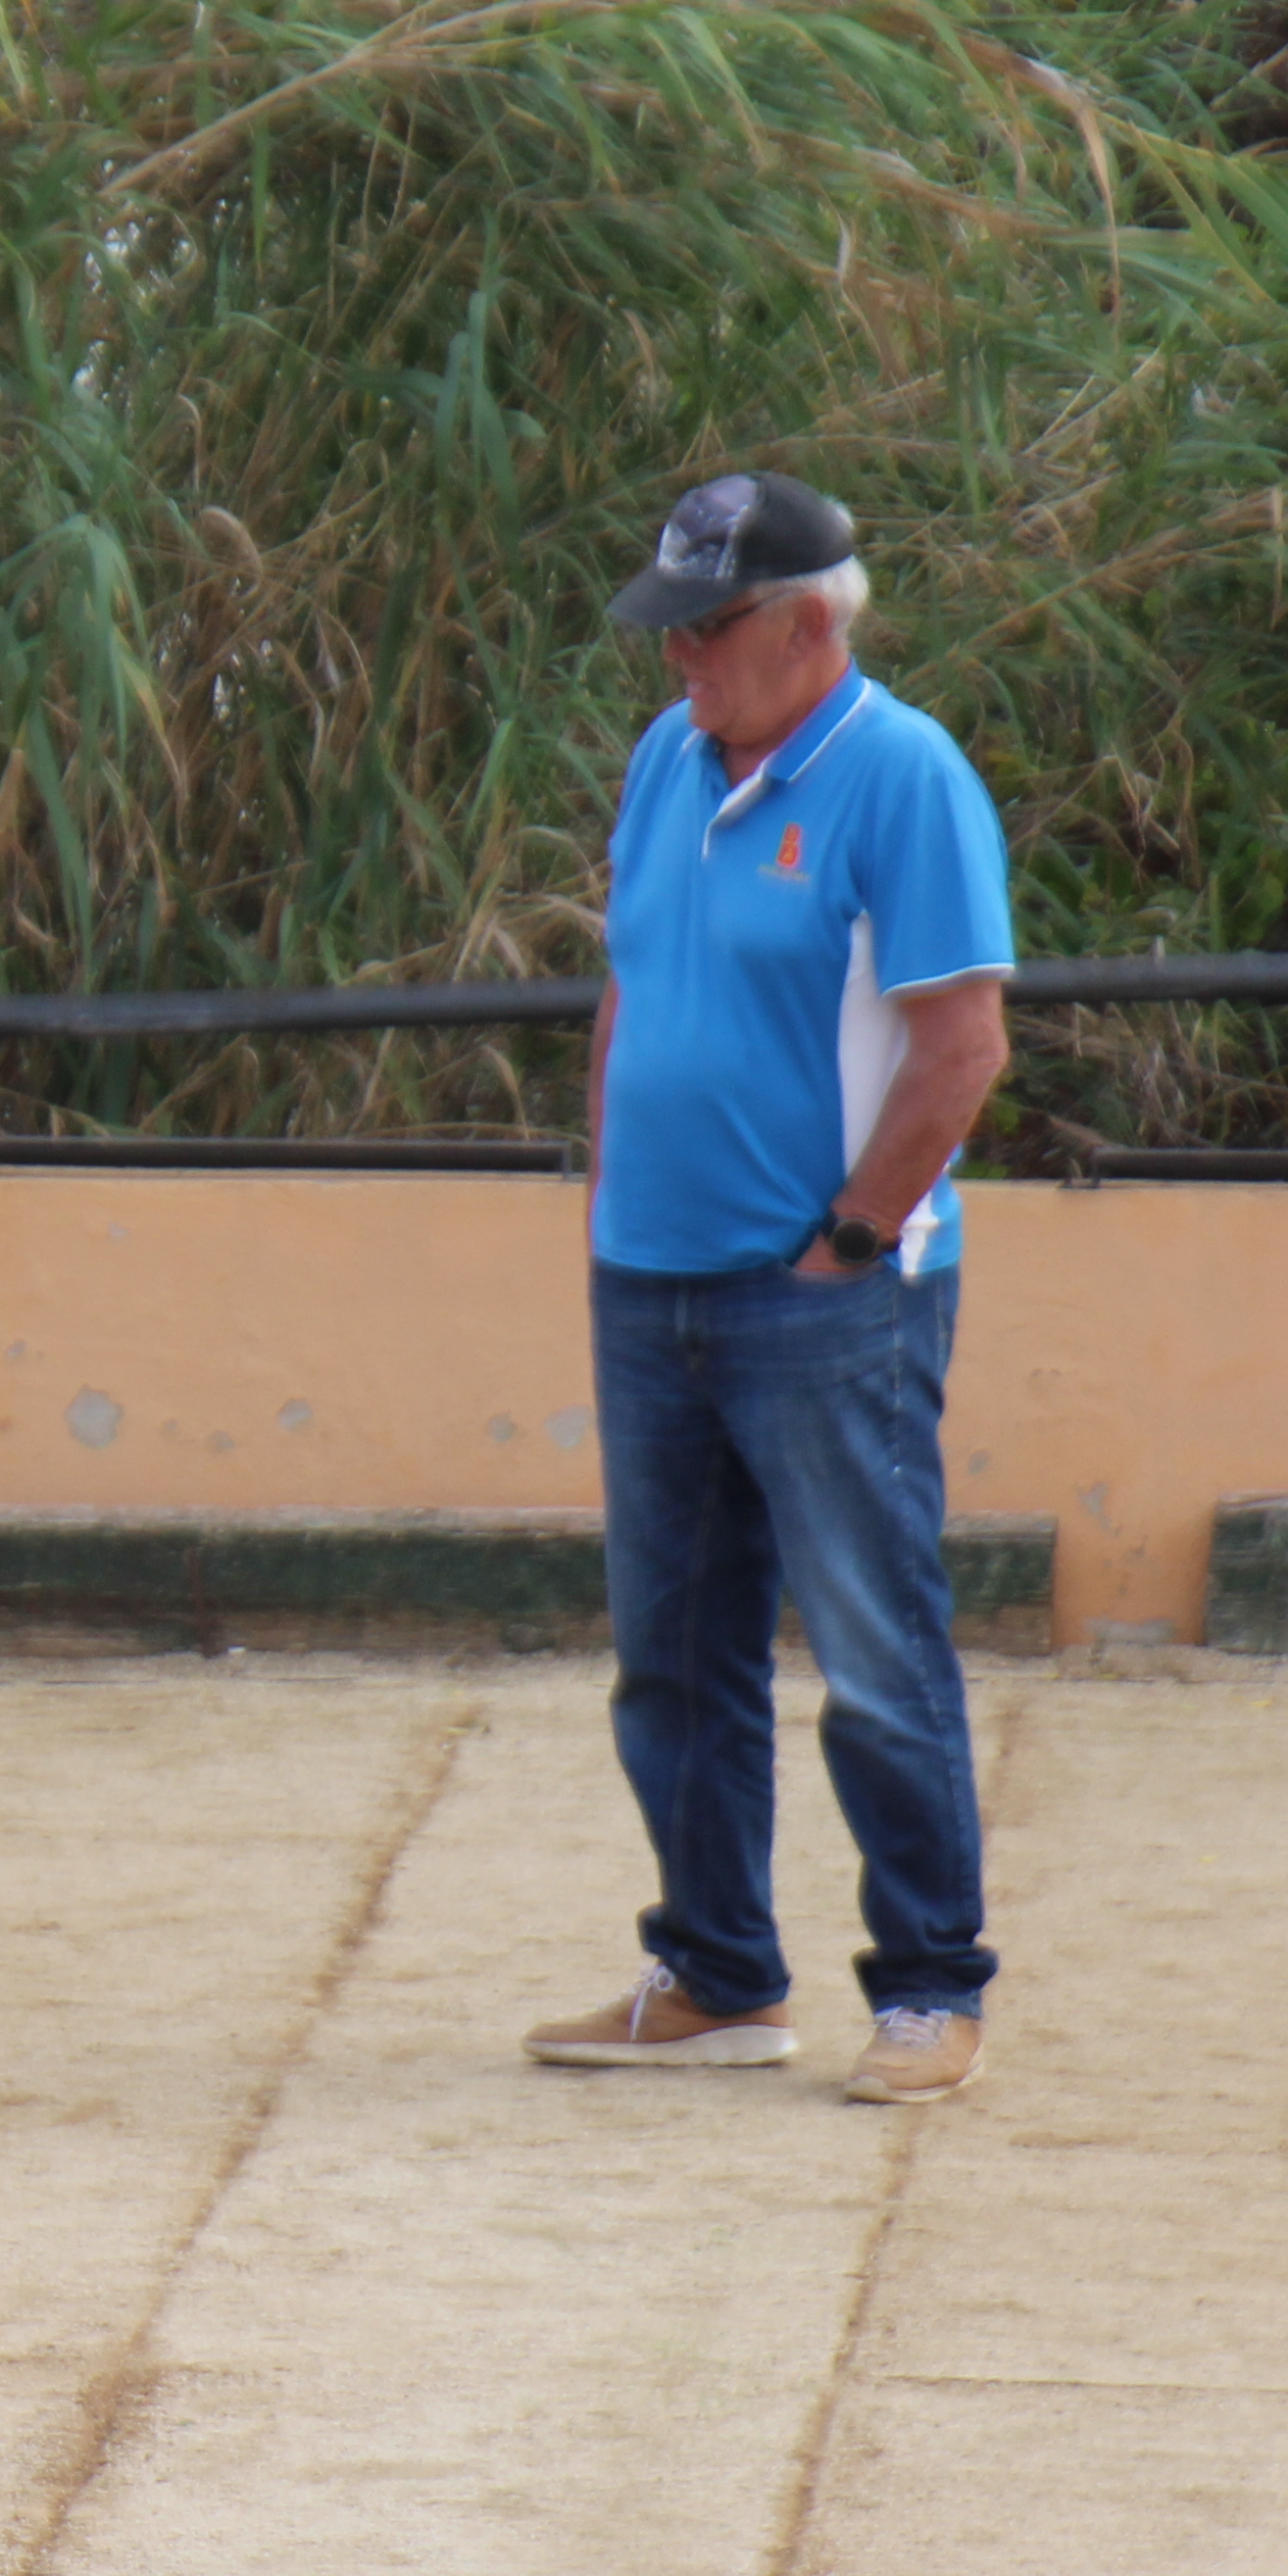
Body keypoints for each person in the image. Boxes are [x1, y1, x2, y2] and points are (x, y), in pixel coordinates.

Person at [525, 471, 1011, 2105]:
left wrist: (855, 1241)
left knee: (876, 1653)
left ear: (813, 623)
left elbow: (962, 1051)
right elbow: (630, 988)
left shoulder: (902, 777)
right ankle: (718, 1974)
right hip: (648, 1280)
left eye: (708, 628)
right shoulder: (670, 761)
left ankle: (933, 1990)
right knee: (672, 1655)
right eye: (670, 630)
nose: (679, 664)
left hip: (821, 1299)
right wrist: (608, 1192)